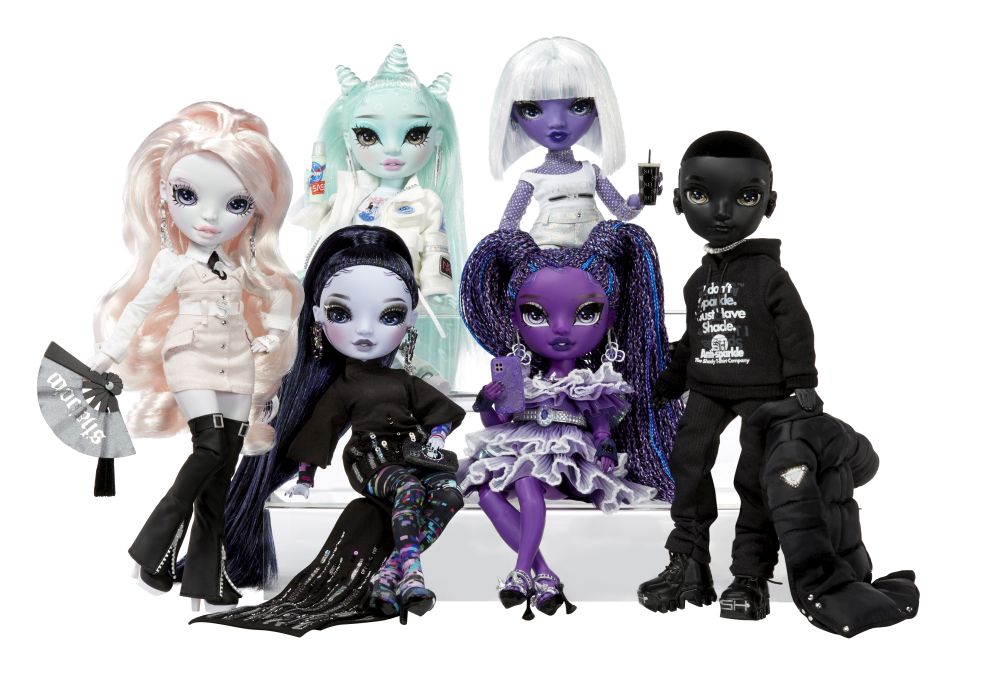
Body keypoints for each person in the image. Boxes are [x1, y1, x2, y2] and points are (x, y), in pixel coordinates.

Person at [88, 102, 301, 610]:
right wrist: (107, 355)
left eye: (236, 203)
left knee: (222, 469)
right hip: (189, 358)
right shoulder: (171, 263)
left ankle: (207, 578)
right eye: (188, 195)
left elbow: (278, 294)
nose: (208, 217)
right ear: (164, 194)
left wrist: (273, 335)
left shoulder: (239, 266)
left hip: (238, 365)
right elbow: (138, 308)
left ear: (256, 211)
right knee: (208, 450)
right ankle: (153, 546)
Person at [205, 226, 465, 632]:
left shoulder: (406, 379)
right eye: (342, 314)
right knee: (410, 491)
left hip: (414, 457)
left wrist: (436, 437)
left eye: (390, 316)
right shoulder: (341, 387)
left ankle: (391, 571)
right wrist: (305, 478)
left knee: (450, 494)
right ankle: (412, 572)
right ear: (317, 316)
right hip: (372, 461)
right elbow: (319, 431)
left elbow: (441, 413)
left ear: (411, 319)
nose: (365, 331)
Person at [637, 131, 818, 620]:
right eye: (700, 195)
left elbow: (795, 328)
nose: (721, 212)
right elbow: (694, 337)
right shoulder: (698, 281)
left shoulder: (770, 277)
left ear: (769, 203)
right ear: (678, 201)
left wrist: (803, 383)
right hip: (707, 389)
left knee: (756, 478)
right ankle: (688, 563)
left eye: (746, 197)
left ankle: (751, 576)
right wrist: (669, 383)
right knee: (687, 465)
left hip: (765, 392)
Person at [460, 220, 680, 618]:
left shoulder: (591, 383)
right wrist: (486, 404)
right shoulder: (520, 380)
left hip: (566, 462)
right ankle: (543, 575)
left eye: (586, 313)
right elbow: (498, 428)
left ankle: (520, 571)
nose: (560, 329)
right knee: (487, 493)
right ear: (515, 319)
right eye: (536, 314)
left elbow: (601, 425)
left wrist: (606, 449)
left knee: (526, 481)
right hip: (522, 450)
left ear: (609, 319)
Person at [489, 37, 660, 249]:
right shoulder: (531, 177)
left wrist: (641, 198)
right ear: (512, 116)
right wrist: (510, 252)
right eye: (531, 110)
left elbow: (621, 211)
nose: (557, 122)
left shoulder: (592, 172)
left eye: (579, 107)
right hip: (548, 247)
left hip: (595, 246)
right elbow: (509, 222)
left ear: (599, 109)